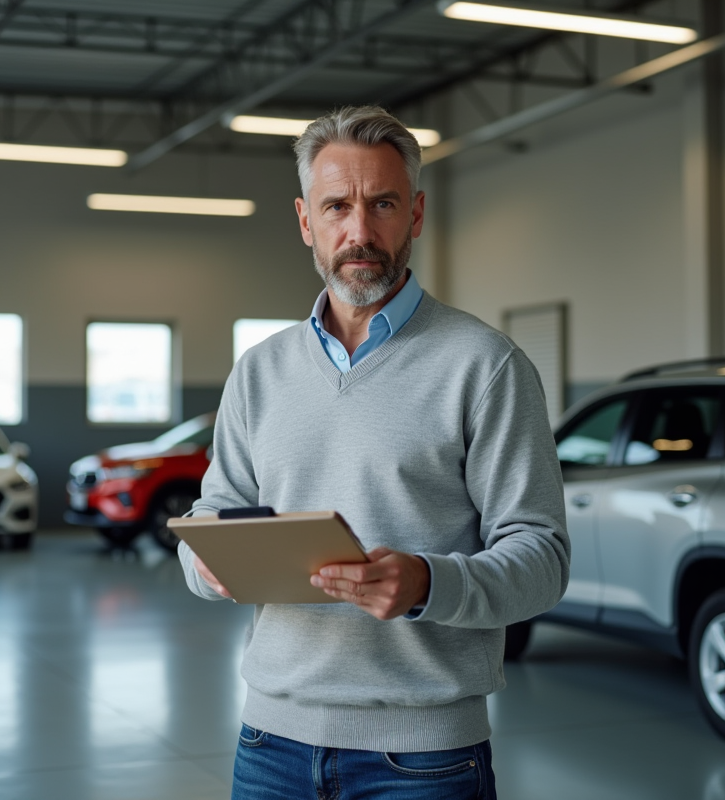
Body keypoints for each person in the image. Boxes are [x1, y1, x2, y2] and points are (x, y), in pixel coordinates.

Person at [178, 105, 570, 799]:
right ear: (305, 220)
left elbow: (541, 559)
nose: (359, 232)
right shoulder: (259, 371)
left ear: (415, 214)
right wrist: (204, 560)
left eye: (382, 204)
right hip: (269, 744)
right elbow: (215, 511)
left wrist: (428, 584)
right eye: (337, 207)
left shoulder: (486, 365)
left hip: (424, 760)